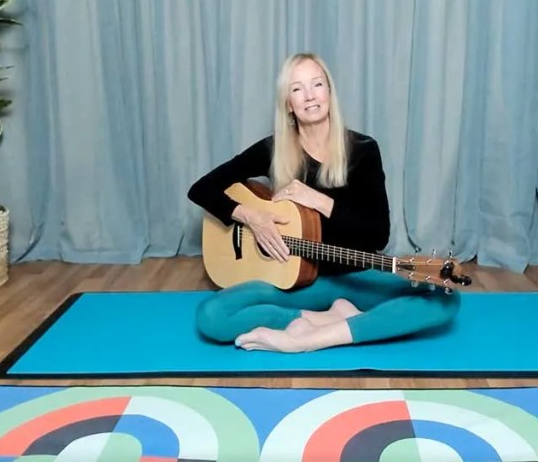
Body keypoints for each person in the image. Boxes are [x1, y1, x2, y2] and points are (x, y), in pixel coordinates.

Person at [187, 52, 460, 353]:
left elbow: (378, 234)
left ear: (329, 91)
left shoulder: (363, 150)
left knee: (444, 298)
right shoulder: (274, 149)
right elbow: (202, 188)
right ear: (288, 103)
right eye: (297, 88)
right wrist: (252, 217)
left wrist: (318, 200)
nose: (309, 96)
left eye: (317, 84)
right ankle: (329, 319)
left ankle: (308, 338)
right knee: (211, 316)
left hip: (355, 278)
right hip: (296, 282)